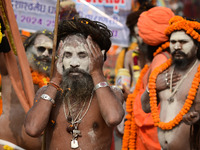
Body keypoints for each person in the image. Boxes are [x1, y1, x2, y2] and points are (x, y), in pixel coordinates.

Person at [24, 17, 124, 150]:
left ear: (98, 58)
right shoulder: (46, 93)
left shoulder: (112, 94)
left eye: (83, 55)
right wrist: (55, 80)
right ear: (59, 59)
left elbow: (113, 118)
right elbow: (32, 129)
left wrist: (97, 73)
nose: (74, 63)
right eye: (68, 55)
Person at [141, 16, 200, 150]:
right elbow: (145, 107)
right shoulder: (162, 72)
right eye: (173, 42)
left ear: (196, 46)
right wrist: (153, 87)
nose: (177, 46)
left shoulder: (198, 72)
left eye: (183, 42)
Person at [122, 6, 175, 150]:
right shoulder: (164, 58)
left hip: (153, 135)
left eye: (140, 35)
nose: (139, 40)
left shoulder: (161, 60)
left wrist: (133, 98)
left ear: (149, 38)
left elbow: (150, 106)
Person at [0, 28, 53, 149]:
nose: (45, 54)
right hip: (5, 142)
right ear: (28, 48)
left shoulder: (56, 80)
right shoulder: (14, 64)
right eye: (41, 49)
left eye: (50, 51)